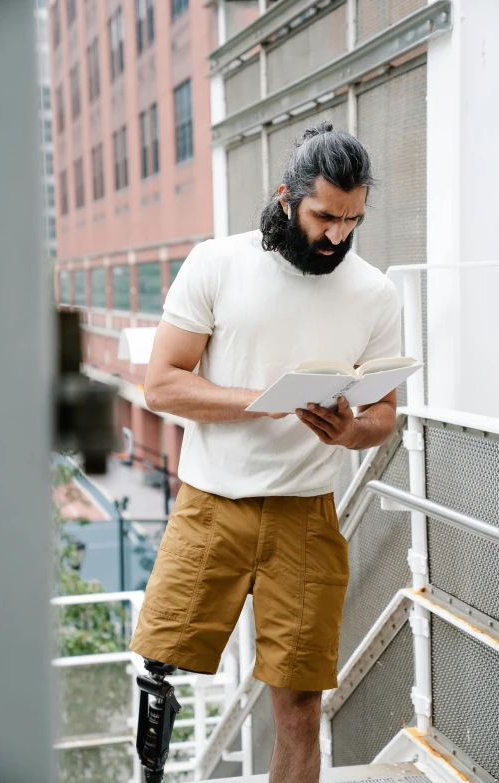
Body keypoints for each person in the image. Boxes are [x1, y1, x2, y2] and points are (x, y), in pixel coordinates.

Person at [130, 121, 402, 782]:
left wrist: (350, 431)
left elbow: (385, 415)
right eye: (324, 216)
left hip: (306, 516)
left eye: (352, 219)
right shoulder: (218, 263)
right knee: (158, 678)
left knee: (302, 708)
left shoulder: (375, 293)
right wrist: (263, 400)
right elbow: (162, 383)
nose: (337, 234)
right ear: (287, 197)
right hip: (209, 505)